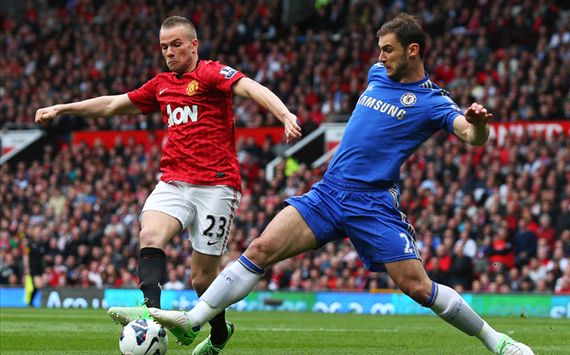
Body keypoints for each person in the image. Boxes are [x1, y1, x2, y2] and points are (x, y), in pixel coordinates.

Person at [149, 14, 534, 354]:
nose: (380, 58)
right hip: (329, 192)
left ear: (413, 50)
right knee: (261, 247)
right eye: (379, 50)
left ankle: (496, 341)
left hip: (372, 204)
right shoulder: (377, 75)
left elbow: (469, 134)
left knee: (418, 288)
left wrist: (479, 125)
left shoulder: (433, 102)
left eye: (388, 50)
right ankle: (194, 319)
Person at [35, 15, 301, 355]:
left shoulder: (209, 73)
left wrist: (285, 115)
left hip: (216, 187)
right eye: (164, 47)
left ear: (193, 45)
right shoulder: (161, 84)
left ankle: (219, 334)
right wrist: (63, 108)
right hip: (174, 181)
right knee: (150, 235)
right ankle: (150, 314)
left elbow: (251, 87)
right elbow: (114, 104)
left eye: (176, 45)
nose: (170, 52)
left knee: (202, 280)